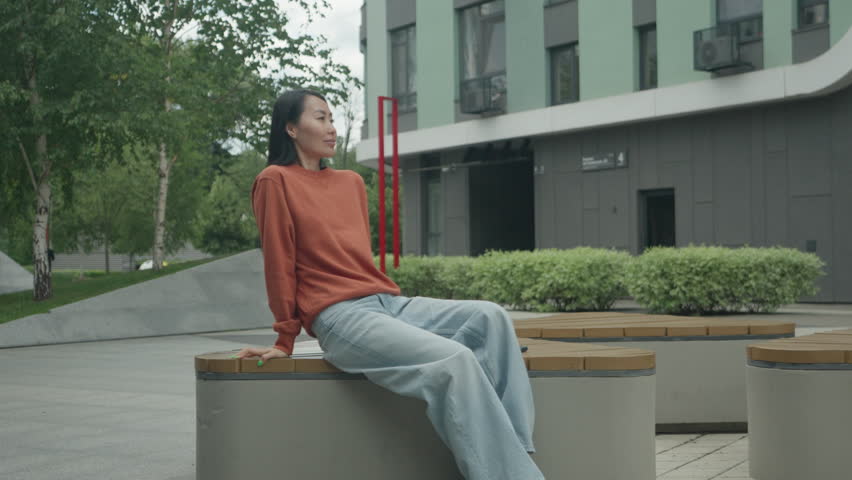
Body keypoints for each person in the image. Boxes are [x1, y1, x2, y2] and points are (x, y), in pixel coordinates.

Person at [233, 89, 545, 480]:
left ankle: (516, 453)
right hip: (340, 317)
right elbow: (279, 263)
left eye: (332, 119)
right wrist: (285, 339)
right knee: (454, 360)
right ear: (291, 128)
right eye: (320, 118)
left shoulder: (350, 182)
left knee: (491, 318)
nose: (332, 128)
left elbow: (357, 262)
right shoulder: (274, 181)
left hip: (387, 303)